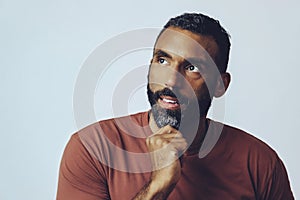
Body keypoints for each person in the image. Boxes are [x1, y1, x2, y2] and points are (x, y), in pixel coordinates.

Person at [56, 13, 294, 199]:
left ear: (220, 85)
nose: (171, 80)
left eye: (192, 68)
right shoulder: (93, 148)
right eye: (162, 60)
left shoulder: (259, 162)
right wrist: (157, 187)